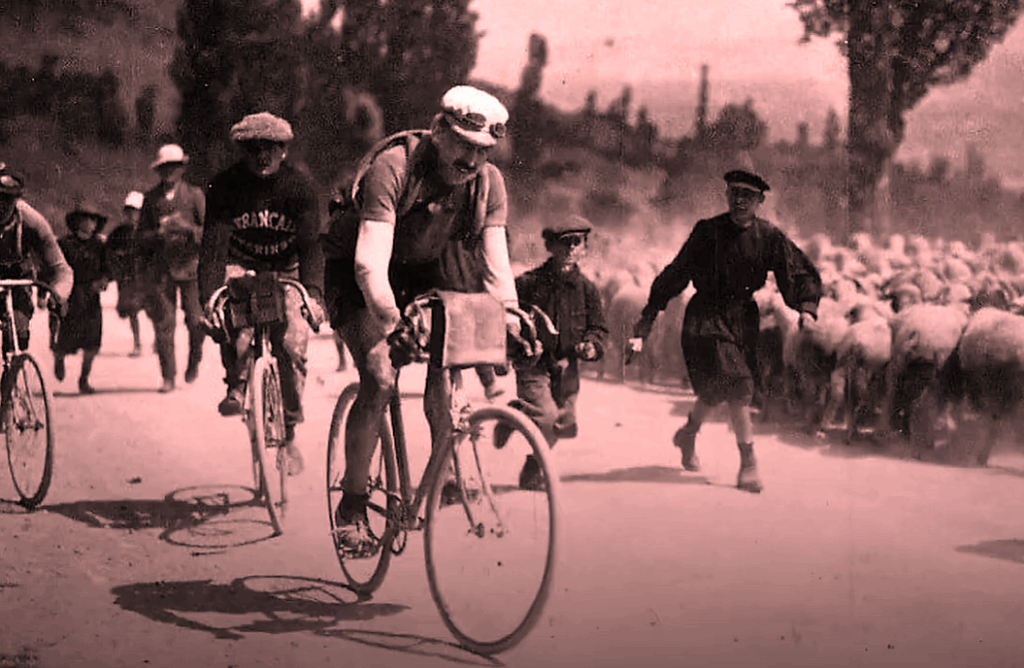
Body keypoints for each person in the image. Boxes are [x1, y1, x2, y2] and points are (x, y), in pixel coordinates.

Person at [323, 85, 520, 556]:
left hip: (421, 270)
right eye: (463, 145)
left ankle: (443, 470)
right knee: (379, 376)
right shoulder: (395, 167)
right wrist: (394, 325)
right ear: (437, 131)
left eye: (483, 151)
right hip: (358, 272)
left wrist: (512, 316)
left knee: (449, 360)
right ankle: (351, 507)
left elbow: (496, 265)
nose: (471, 160)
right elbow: (369, 265)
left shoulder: (488, 184)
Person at [630, 170, 822, 493]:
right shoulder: (707, 232)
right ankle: (748, 464)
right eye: (734, 193)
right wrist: (646, 321)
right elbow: (676, 274)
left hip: (743, 319)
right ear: (727, 196)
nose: (740, 200)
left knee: (717, 389)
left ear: (759, 201)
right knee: (739, 385)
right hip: (705, 317)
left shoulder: (769, 237)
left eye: (748, 195)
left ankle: (688, 433)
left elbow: (796, 269)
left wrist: (806, 307)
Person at [199, 111, 325, 477]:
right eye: (254, 149)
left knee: (291, 344)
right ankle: (236, 385)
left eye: (271, 148)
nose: (263, 156)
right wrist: (210, 298)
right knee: (233, 320)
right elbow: (212, 249)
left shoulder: (300, 188)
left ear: (284, 150)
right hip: (240, 266)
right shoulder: (224, 187)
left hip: (285, 270)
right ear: (242, 150)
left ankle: (289, 430)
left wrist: (312, 295)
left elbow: (311, 249)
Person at [502, 216, 607, 489]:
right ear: (550, 246)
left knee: (563, 423)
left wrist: (591, 345)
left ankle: (519, 418)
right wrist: (507, 352)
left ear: (585, 247)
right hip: (533, 365)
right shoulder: (527, 283)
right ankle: (532, 466)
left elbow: (598, 328)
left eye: (578, 242)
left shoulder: (588, 290)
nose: (571, 248)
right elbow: (507, 321)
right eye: (565, 243)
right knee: (547, 419)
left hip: (566, 367)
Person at [137, 144, 207, 392]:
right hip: (162, 270)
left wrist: (187, 229)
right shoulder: (150, 199)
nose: (169, 173)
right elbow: (140, 238)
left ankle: (194, 361)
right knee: (163, 324)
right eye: (164, 168)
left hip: (191, 269)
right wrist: (158, 233)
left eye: (173, 168)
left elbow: (209, 234)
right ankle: (168, 376)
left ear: (182, 169)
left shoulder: (194, 195)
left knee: (197, 322)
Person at [0, 163, 72, 355]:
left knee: (17, 332)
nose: (1, 205)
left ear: (17, 198)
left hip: (17, 279)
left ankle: (12, 375)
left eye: (7, 198)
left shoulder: (32, 222)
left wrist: (59, 295)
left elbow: (61, 269)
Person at [53, 200, 109, 394]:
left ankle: (84, 379)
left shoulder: (100, 246)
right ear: (76, 221)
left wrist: (103, 280)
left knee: (92, 343)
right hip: (70, 297)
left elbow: (108, 269)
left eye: (93, 219)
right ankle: (59, 360)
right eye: (85, 218)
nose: (89, 223)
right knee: (64, 340)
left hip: (91, 298)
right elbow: (54, 269)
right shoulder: (64, 244)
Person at [106, 191, 145, 357]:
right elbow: (108, 253)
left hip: (146, 277)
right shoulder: (118, 233)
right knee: (130, 311)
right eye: (128, 211)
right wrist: (116, 271)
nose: (131, 215)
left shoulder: (147, 232)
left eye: (134, 211)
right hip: (127, 279)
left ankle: (159, 341)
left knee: (156, 309)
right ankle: (137, 343)